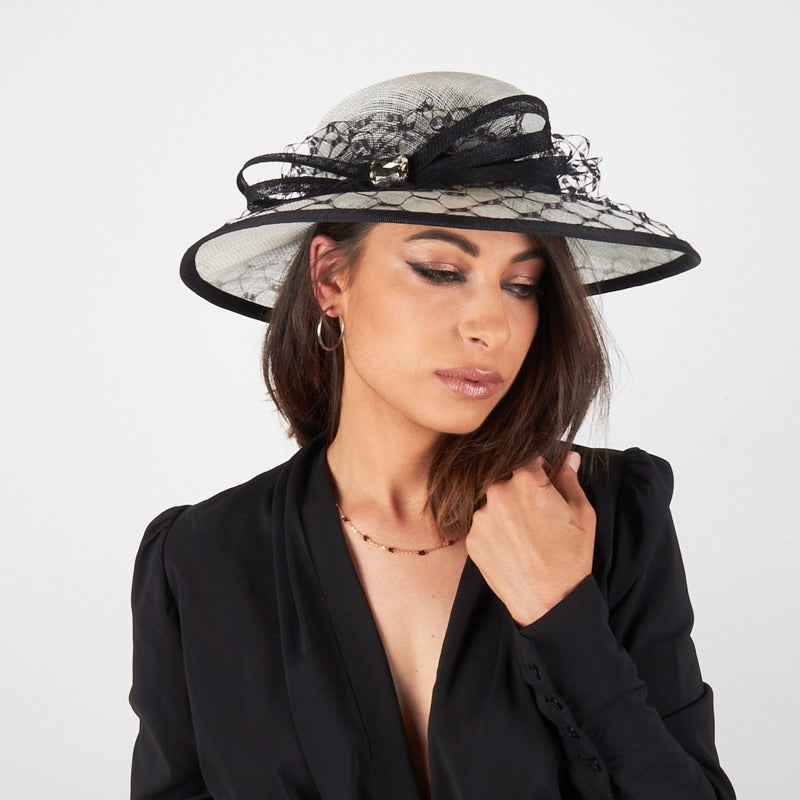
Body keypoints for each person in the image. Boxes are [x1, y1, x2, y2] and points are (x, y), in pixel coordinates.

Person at [129, 72, 737, 799]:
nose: (491, 326)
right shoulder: (202, 560)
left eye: (523, 285)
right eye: (441, 270)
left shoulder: (609, 516)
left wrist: (564, 616)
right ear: (330, 278)